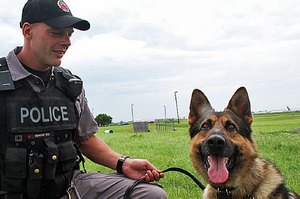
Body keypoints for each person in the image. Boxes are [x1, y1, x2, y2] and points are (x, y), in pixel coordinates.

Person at [0, 0, 168, 198]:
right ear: (28, 31)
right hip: (11, 192)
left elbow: (85, 139)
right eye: (56, 33)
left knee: (150, 195)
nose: (67, 42)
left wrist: (124, 163)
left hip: (69, 186)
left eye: (69, 34)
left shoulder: (69, 85)